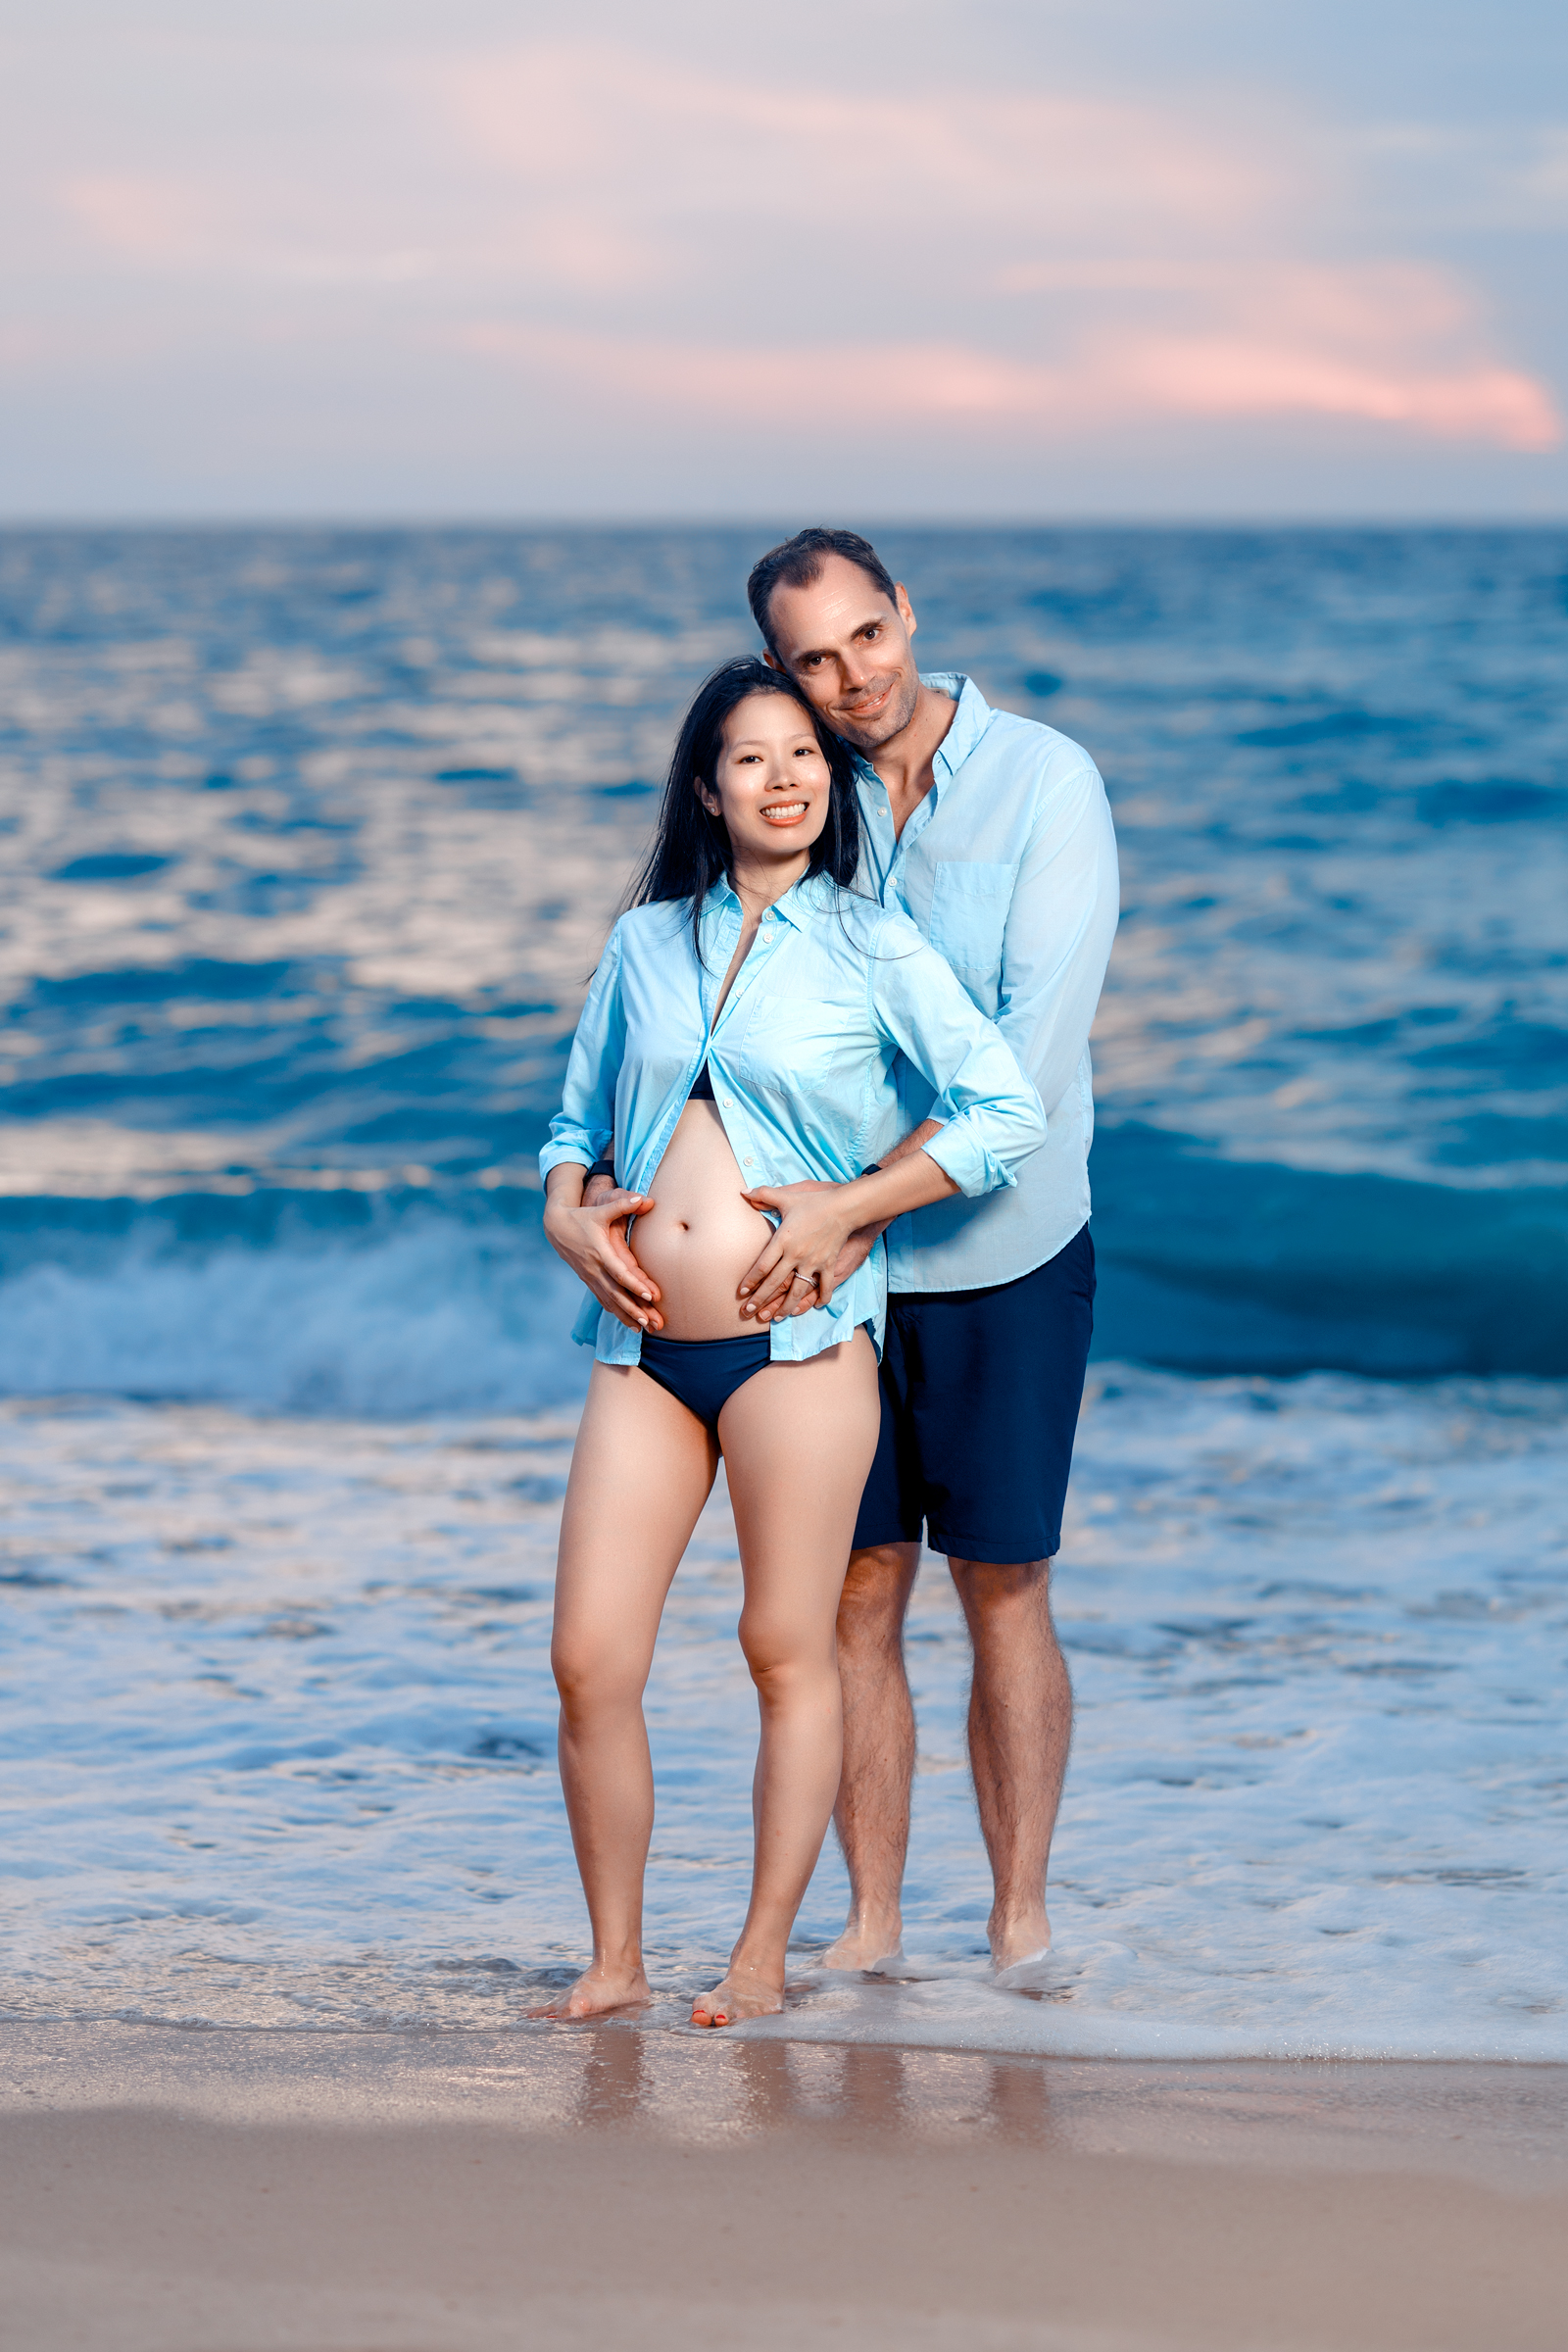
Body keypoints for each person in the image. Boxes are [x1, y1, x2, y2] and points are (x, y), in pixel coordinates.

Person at [536, 657, 1046, 2027]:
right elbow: (574, 1130)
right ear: (707, 788)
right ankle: (614, 1963)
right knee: (589, 1656)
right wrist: (563, 1216)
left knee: (784, 1645)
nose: (786, 778)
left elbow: (1002, 1112)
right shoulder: (645, 944)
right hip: (640, 1345)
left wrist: (857, 1208)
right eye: (753, 758)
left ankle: (762, 1955)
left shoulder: (875, 943)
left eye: (805, 756)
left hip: (800, 1345)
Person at [727, 527, 1121, 1977]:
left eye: (868, 638)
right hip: (839, 1276)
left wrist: (845, 1204)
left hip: (1007, 1252)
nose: (852, 678)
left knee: (1002, 1583)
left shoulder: (1044, 782)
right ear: (784, 670)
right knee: (854, 1591)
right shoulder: (798, 794)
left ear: (908, 616)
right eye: (815, 659)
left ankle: (1019, 1930)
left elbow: (1024, 1068)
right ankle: (874, 1930)